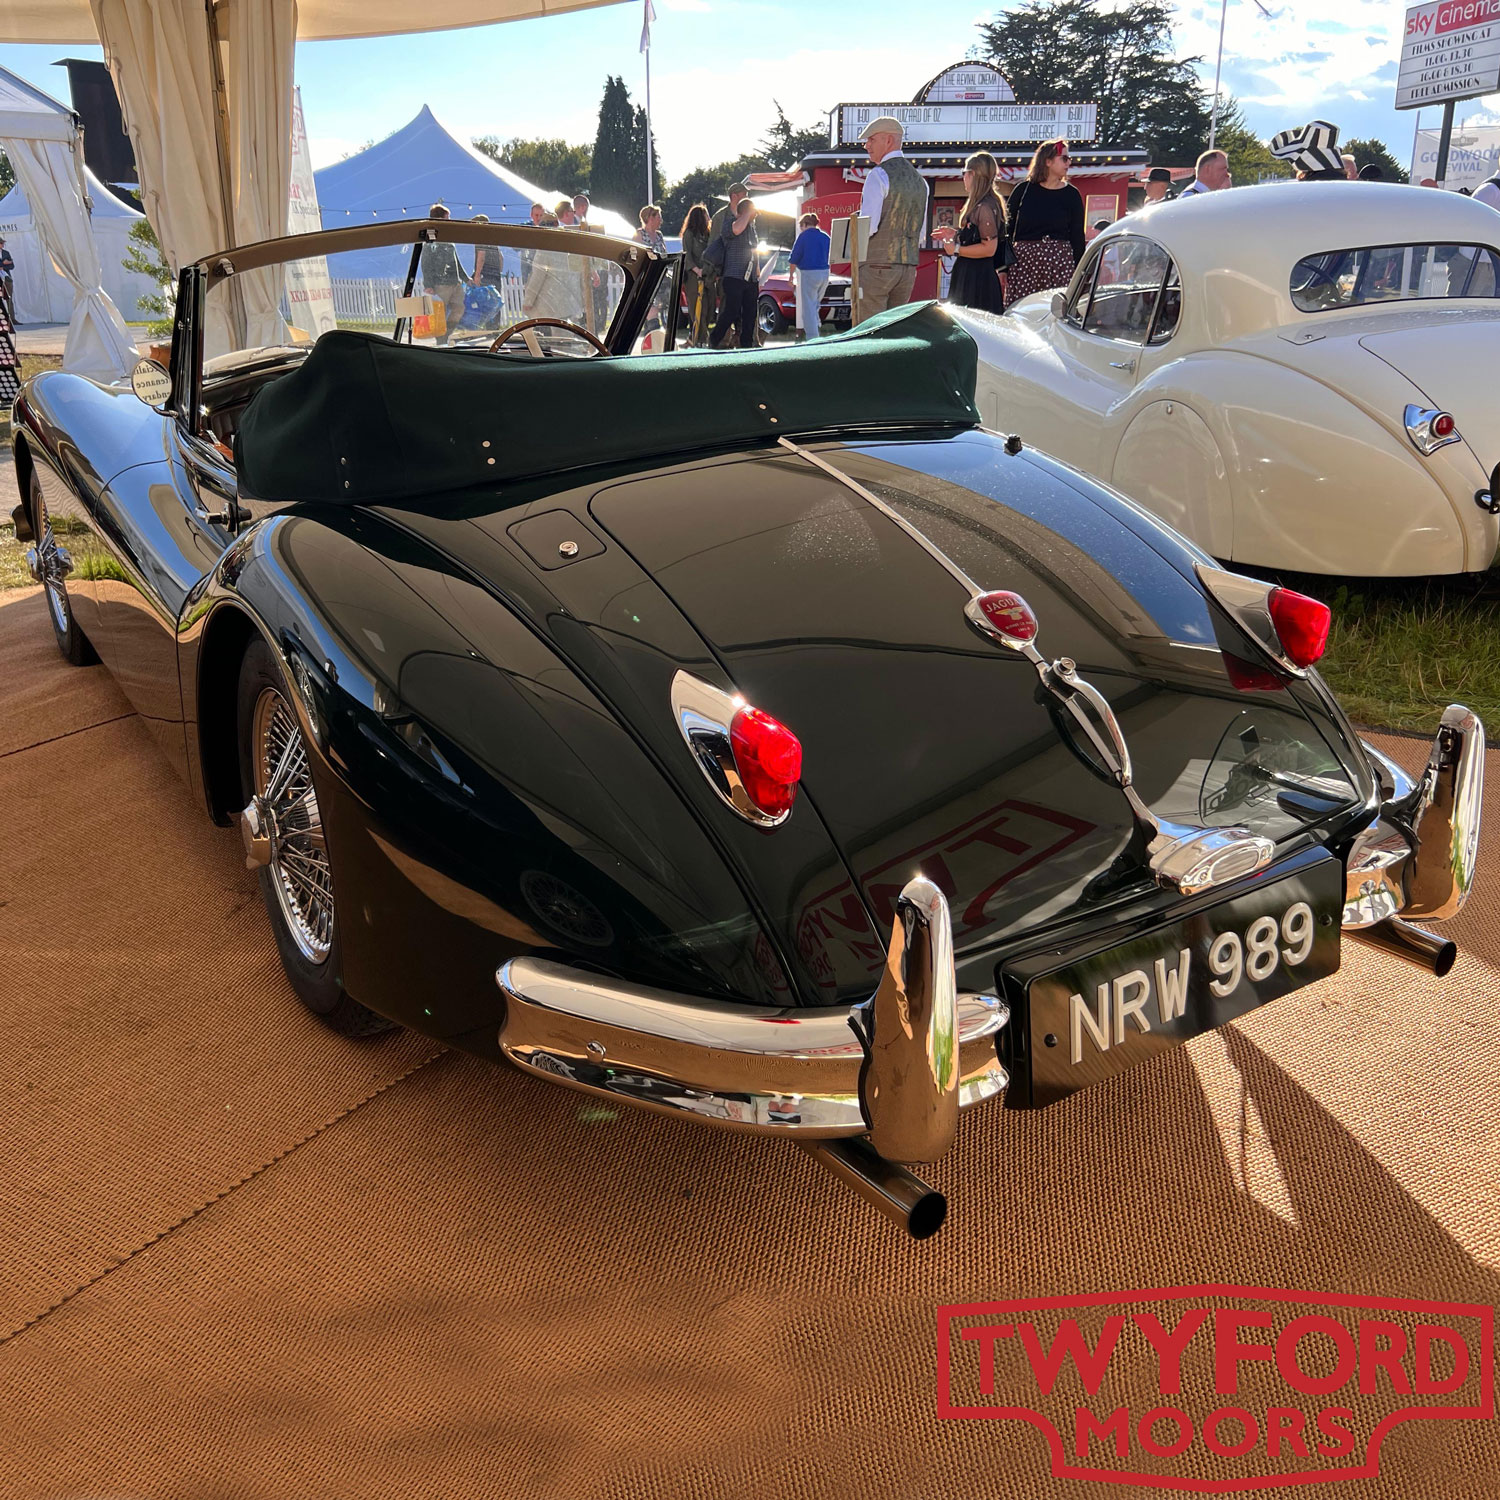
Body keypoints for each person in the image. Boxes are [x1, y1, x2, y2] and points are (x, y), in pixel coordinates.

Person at [854, 116, 929, 322]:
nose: (866, 145)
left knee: (869, 330)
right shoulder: (920, 181)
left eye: (871, 140)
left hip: (877, 266)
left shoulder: (878, 175)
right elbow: (920, 233)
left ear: (888, 140)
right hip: (907, 267)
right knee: (894, 332)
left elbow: (868, 226)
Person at [1003, 139, 1085, 309]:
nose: (1068, 162)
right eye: (1064, 158)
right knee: (1022, 312)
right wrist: (1003, 267)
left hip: (1060, 264)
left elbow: (1077, 236)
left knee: (1056, 314)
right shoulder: (1023, 190)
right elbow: (1006, 230)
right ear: (1047, 161)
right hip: (1024, 264)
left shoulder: (1072, 194)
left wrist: (1081, 273)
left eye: (1069, 158)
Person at [934, 151, 1004, 315]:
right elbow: (976, 236)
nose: (963, 177)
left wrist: (957, 249)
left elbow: (989, 248)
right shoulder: (982, 203)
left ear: (973, 174)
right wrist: (956, 234)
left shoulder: (984, 206)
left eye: (964, 173)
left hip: (977, 278)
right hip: (971, 274)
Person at [709, 195, 759, 349]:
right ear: (745, 212)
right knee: (731, 311)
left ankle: (746, 345)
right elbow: (736, 230)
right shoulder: (729, 224)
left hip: (750, 278)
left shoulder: (751, 228)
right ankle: (714, 340)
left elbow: (754, 249)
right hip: (733, 276)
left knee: (750, 313)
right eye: (752, 213)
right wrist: (746, 213)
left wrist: (757, 270)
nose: (754, 216)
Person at [420, 203, 468, 344]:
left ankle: (446, 334)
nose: (450, 221)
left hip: (455, 281)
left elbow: (455, 260)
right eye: (447, 218)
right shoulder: (431, 237)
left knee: (459, 308)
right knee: (438, 313)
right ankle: (440, 339)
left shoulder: (448, 237)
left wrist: (465, 277)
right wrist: (428, 284)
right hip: (440, 282)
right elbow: (426, 262)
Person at [706, 180, 748, 330]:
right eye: (744, 195)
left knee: (746, 307)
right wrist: (716, 271)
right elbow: (713, 245)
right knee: (726, 305)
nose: (747, 198)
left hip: (746, 270)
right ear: (734, 196)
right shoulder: (720, 217)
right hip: (727, 270)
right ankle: (722, 341)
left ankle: (744, 341)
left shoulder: (748, 214)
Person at [788, 210, 831, 339]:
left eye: (801, 226)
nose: (801, 229)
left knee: (808, 309)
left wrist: (791, 277)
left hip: (809, 273)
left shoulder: (804, 237)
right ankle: (816, 324)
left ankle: (812, 338)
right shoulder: (825, 236)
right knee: (815, 304)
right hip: (825, 273)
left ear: (805, 224)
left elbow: (794, 258)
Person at [679, 203, 712, 345]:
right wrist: (696, 270)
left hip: (707, 275)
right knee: (696, 309)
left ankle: (696, 338)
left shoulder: (708, 234)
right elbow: (687, 255)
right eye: (706, 215)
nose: (708, 218)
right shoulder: (689, 234)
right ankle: (699, 339)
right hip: (693, 277)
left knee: (708, 308)